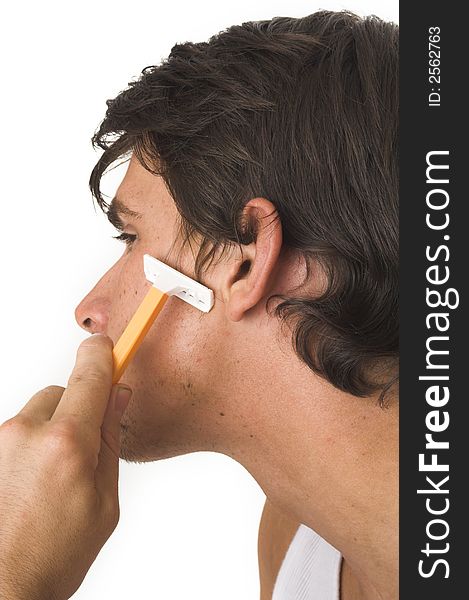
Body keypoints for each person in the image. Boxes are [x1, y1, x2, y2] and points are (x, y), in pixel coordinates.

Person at [0, 9, 399, 600]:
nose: (88, 310)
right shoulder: (298, 539)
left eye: (132, 238)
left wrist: (14, 573)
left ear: (245, 258)